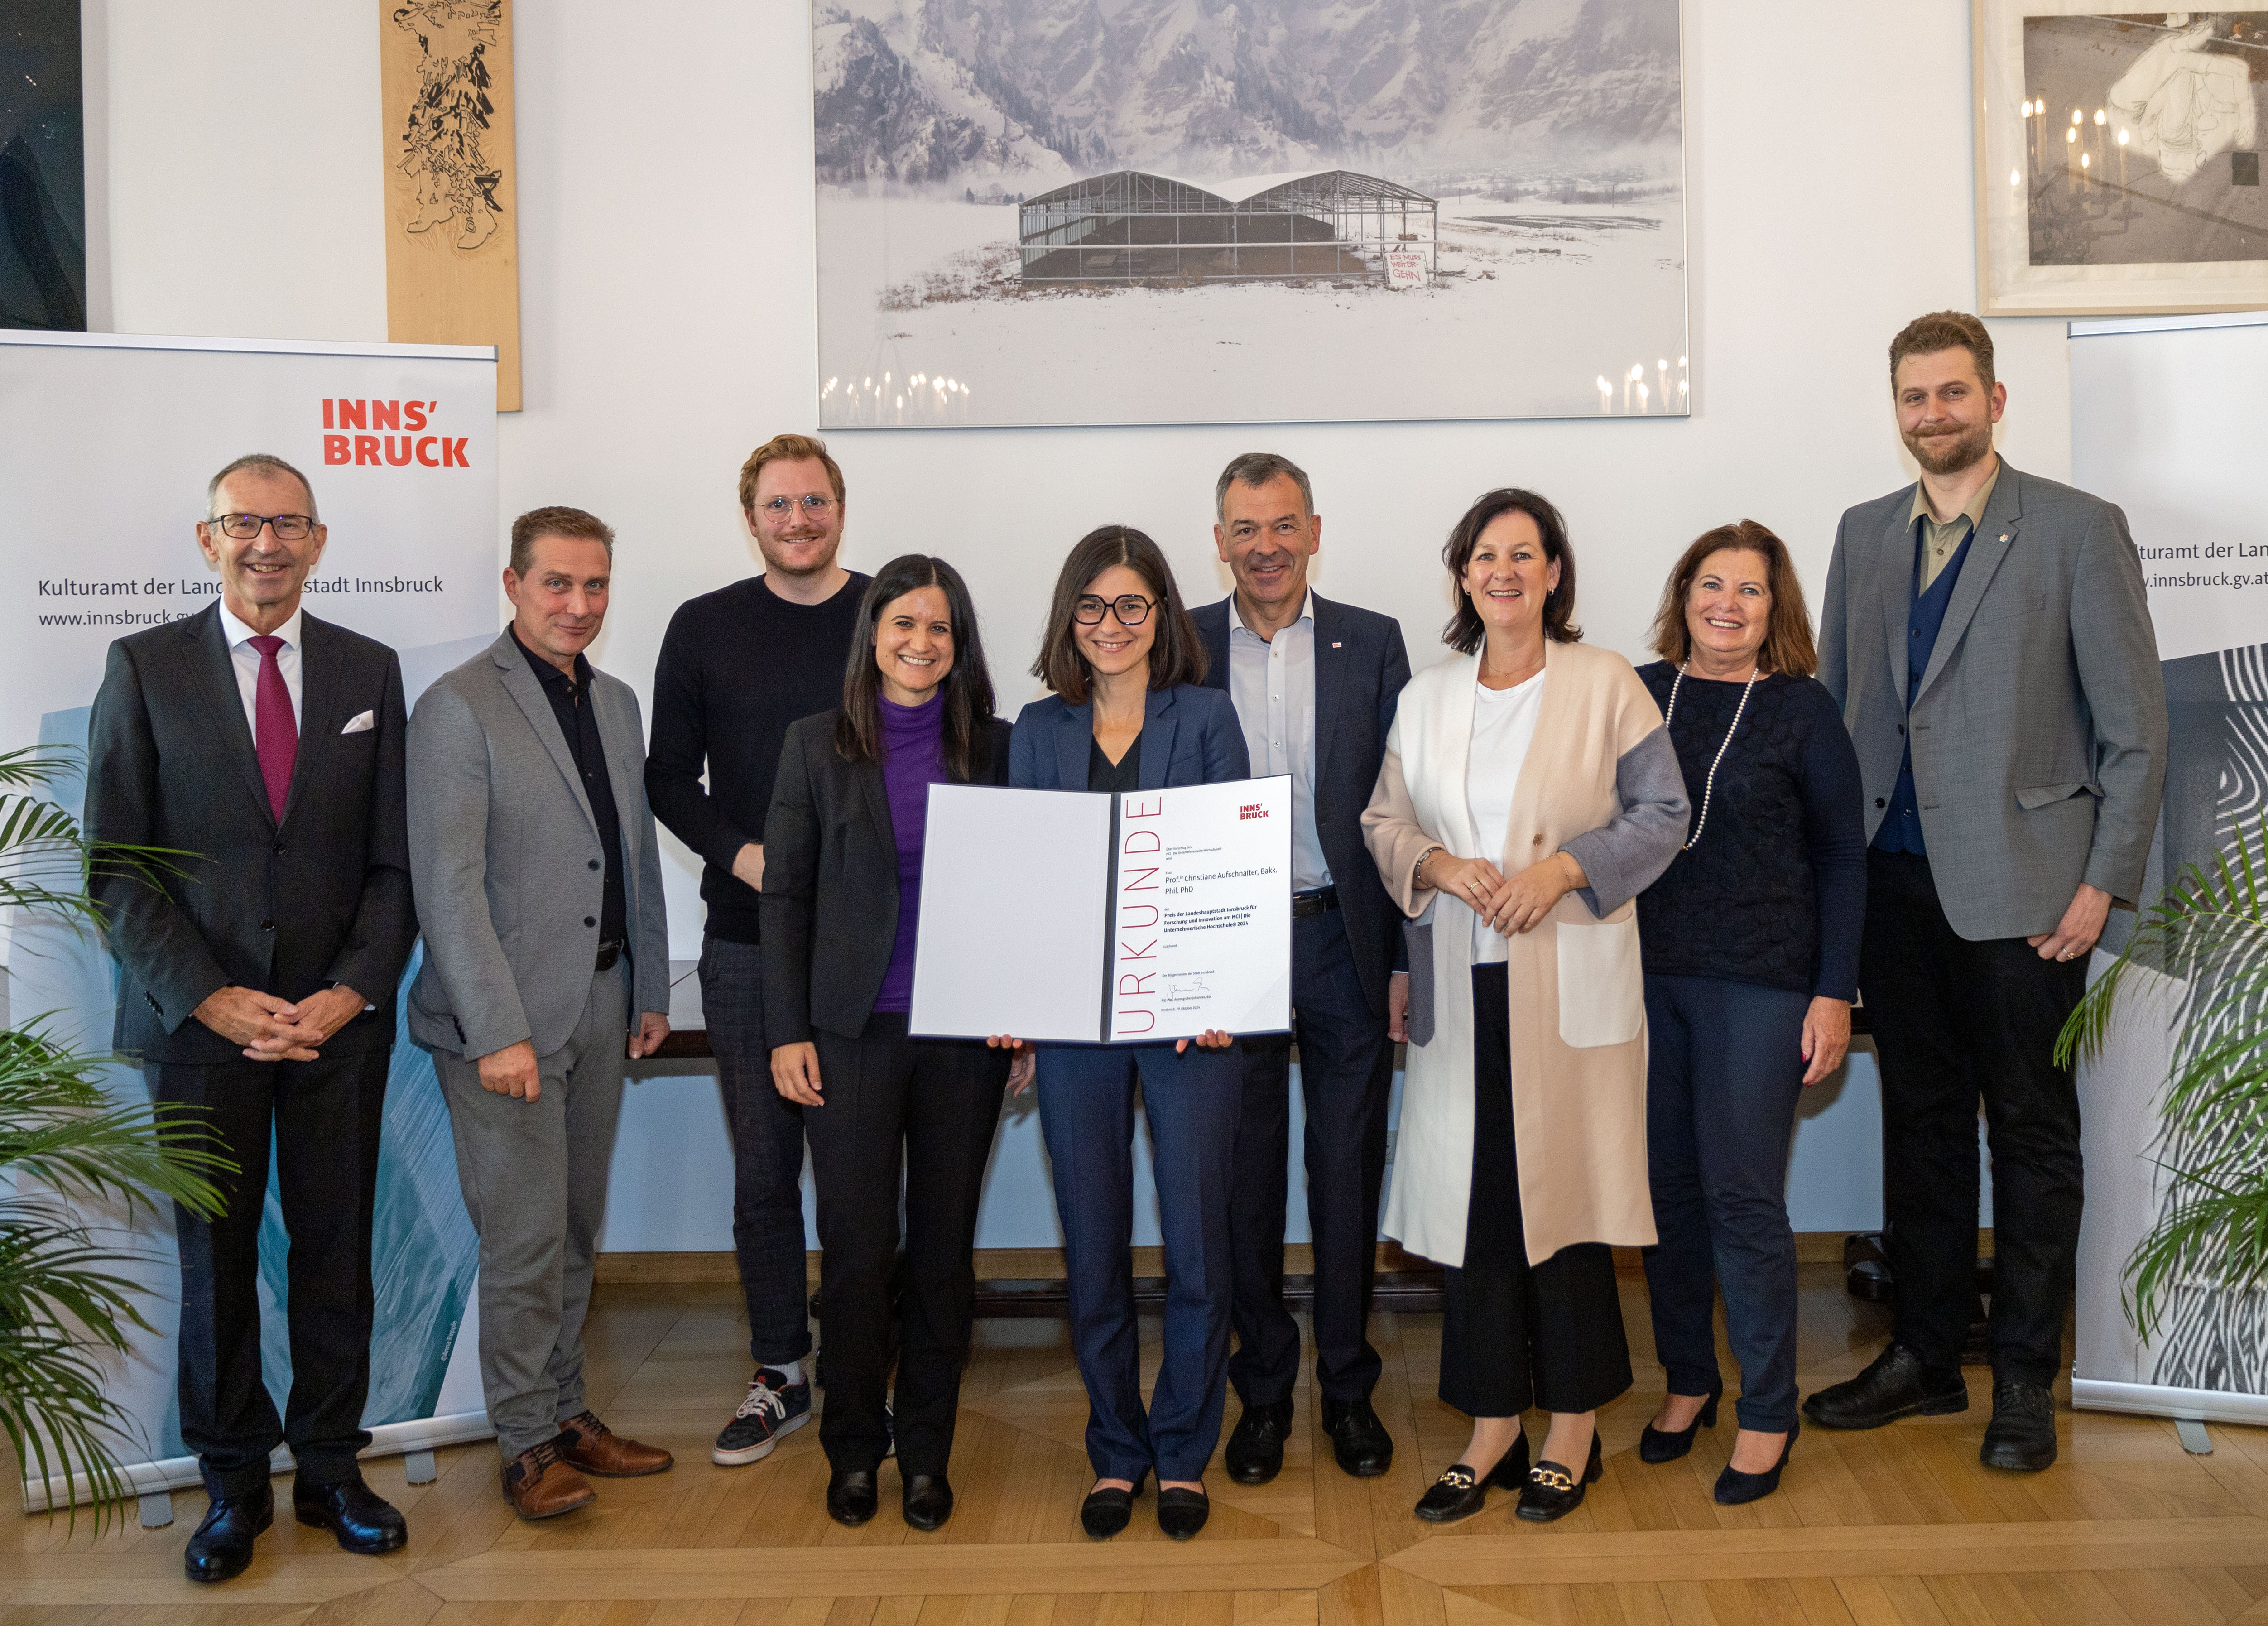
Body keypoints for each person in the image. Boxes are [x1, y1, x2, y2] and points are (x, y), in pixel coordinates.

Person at [1807, 312, 2167, 1472]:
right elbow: (1840, 715)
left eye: (1952, 394)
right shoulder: (1863, 537)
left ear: (1994, 401)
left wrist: (2101, 883)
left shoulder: (2072, 529)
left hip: (2026, 899)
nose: (1933, 415)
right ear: (1896, 408)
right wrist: (1833, 889)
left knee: (2028, 1131)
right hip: (1891, 890)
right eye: (1914, 397)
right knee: (1914, 1128)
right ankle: (1922, 1356)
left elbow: (2133, 733)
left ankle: (2022, 1376)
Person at [86, 453, 418, 1583]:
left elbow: (391, 861)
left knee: (338, 1252)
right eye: (244, 524)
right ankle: (232, 1483)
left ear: (319, 542)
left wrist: (350, 988)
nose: (266, 544)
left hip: (336, 1025)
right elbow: (118, 867)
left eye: (288, 525)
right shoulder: (143, 667)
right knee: (215, 1264)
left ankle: (330, 1466)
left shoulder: (371, 668)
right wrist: (212, 996)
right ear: (206, 537)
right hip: (198, 1029)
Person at [1361, 488, 1685, 1525]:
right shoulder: (1426, 696)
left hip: (1568, 979)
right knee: (1478, 1205)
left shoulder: (1608, 686)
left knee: (1571, 1205)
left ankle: (1575, 1424)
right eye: (1483, 555)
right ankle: (1491, 1421)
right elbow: (1381, 818)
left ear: (1553, 572)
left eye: (1524, 554)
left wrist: (1561, 872)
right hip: (1464, 988)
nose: (1503, 571)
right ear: (1462, 576)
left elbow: (1663, 814)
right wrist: (1439, 864)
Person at [407, 505, 676, 1519]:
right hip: (507, 1025)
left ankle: (566, 1414)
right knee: (521, 1238)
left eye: (595, 585)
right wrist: (498, 1030)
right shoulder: (457, 707)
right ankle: (523, 1441)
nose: (577, 605)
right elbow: (449, 887)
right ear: (514, 585)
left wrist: (648, 986)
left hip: (602, 1002)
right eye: (557, 584)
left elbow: (633, 855)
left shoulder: (613, 702)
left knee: (572, 1227)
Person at [999, 525, 1249, 1542]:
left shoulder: (1207, 715)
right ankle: (1116, 1449)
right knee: (1094, 1245)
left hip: (1190, 1017)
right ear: (1070, 618)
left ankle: (1182, 1449)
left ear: (1163, 616)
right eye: (1093, 607)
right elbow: (1021, 873)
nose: (1111, 625)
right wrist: (1015, 1003)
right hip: (1070, 1021)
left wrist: (1228, 984)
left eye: (1133, 606)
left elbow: (1239, 856)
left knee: (1195, 1241)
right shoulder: (1035, 725)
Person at [761, 556, 1020, 1532]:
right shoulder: (813, 746)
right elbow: (783, 896)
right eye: (904, 624)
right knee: (861, 1252)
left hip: (963, 1039)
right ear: (872, 633)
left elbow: (1026, 888)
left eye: (940, 629)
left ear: (960, 647)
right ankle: (853, 1447)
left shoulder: (995, 745)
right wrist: (786, 1029)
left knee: (943, 1255)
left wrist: (1024, 1007)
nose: (921, 643)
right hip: (849, 1035)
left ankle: (925, 1453)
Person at [646, 434, 870, 1467]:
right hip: (743, 941)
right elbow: (665, 779)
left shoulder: (888, 613)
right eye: (778, 505)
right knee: (764, 1174)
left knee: (864, 1170)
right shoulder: (702, 627)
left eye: (814, 502)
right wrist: (739, 855)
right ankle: (780, 1369)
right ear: (751, 518)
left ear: (838, 509)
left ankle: (871, 1355)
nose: (797, 520)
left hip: (869, 949)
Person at [1631, 521, 1866, 1505]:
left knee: (1740, 1197)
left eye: (1751, 590)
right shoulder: (1636, 696)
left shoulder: (1802, 710)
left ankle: (1768, 1409)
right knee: (1665, 1199)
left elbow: (1841, 857)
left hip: (1763, 983)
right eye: (1710, 584)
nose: (1726, 604)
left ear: (1776, 610)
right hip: (1643, 979)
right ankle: (1690, 1381)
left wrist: (1833, 992)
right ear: (1682, 592)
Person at [1191, 452, 1412, 1486]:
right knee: (1240, 1176)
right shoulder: (1178, 643)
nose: (1266, 546)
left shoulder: (1372, 643)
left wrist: (1405, 955)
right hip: (1225, 941)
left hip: (1341, 939)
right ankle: (1264, 1389)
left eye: (1283, 526)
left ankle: (1348, 1388)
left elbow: (1407, 810)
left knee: (1344, 1169)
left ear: (1314, 531)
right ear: (1219, 539)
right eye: (1245, 528)